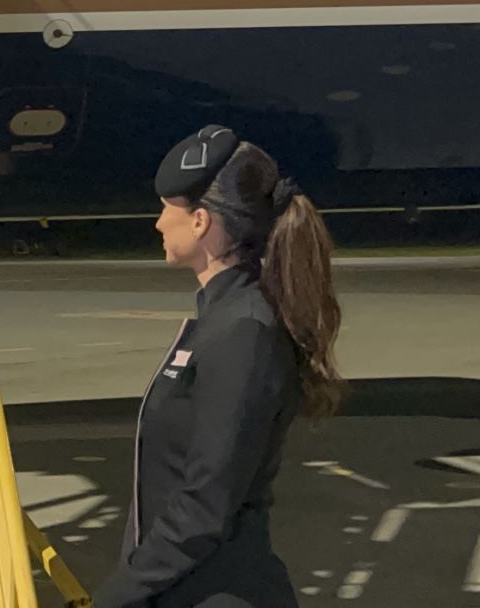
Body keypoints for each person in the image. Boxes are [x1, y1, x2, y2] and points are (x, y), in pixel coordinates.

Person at [95, 125, 345, 608]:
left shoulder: (243, 332)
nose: (158, 224)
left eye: (168, 209)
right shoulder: (221, 318)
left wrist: (118, 594)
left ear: (201, 222)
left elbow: (206, 503)